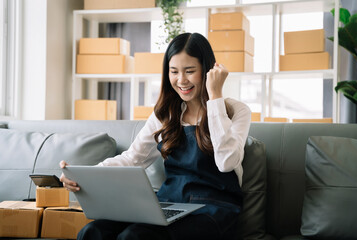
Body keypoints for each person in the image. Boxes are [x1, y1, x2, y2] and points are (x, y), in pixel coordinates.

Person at [60, 32, 251, 240]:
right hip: (170, 203)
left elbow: (226, 162)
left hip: (214, 209)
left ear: (207, 70)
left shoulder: (236, 111)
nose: (181, 80)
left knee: (134, 237)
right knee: (93, 231)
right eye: (174, 72)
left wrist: (215, 97)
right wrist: (83, 176)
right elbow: (133, 159)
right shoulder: (166, 114)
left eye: (190, 71)